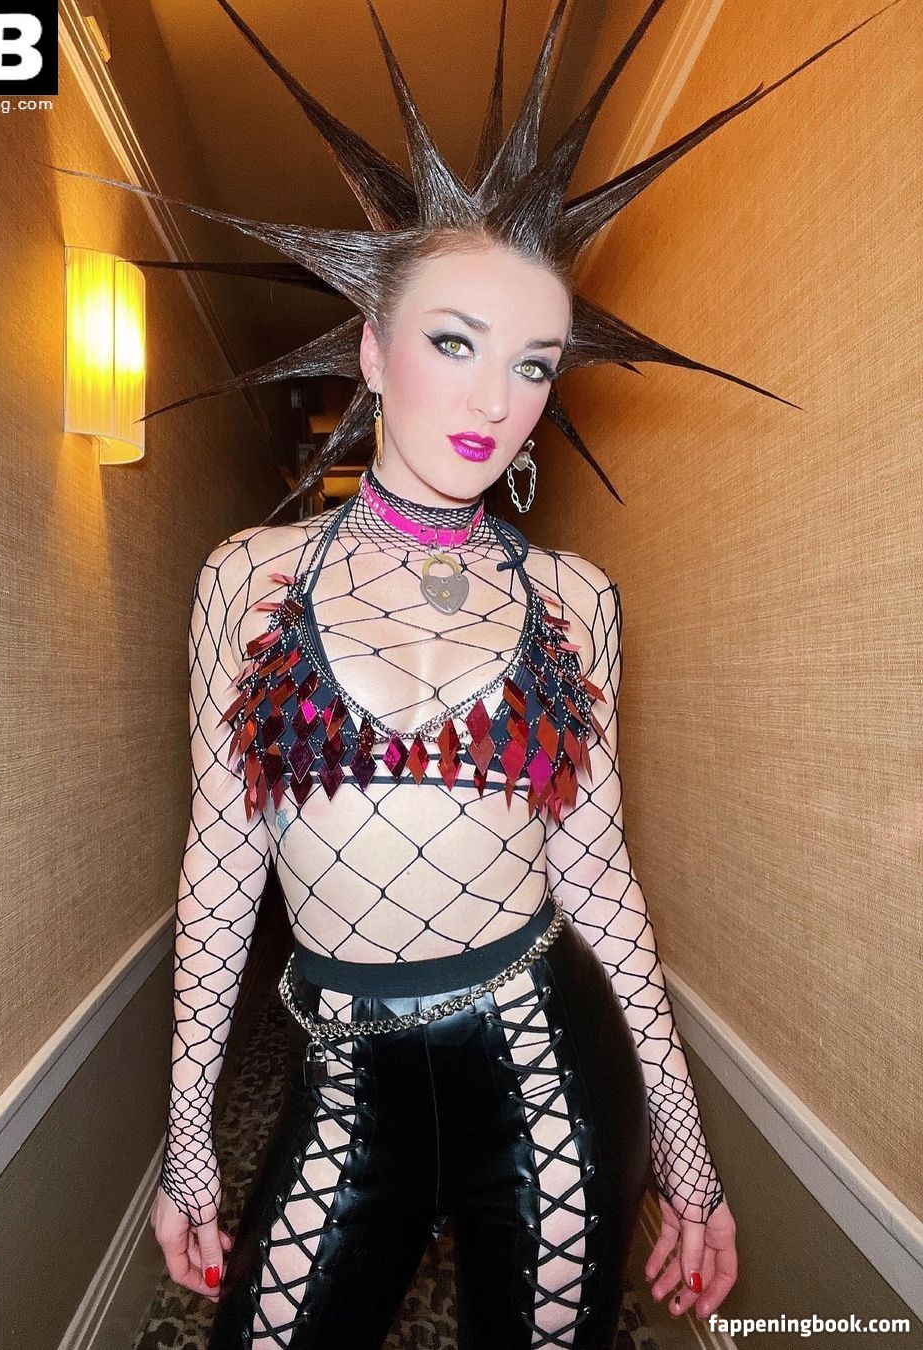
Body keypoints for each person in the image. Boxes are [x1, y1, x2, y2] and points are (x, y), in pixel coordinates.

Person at [49, 2, 896, 1343]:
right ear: (372, 349)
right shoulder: (248, 577)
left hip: (547, 1070)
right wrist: (191, 1142)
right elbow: (221, 864)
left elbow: (601, 880)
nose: (498, 400)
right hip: (340, 1081)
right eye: (455, 341)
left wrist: (688, 1156)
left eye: (533, 364)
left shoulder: (575, 600)